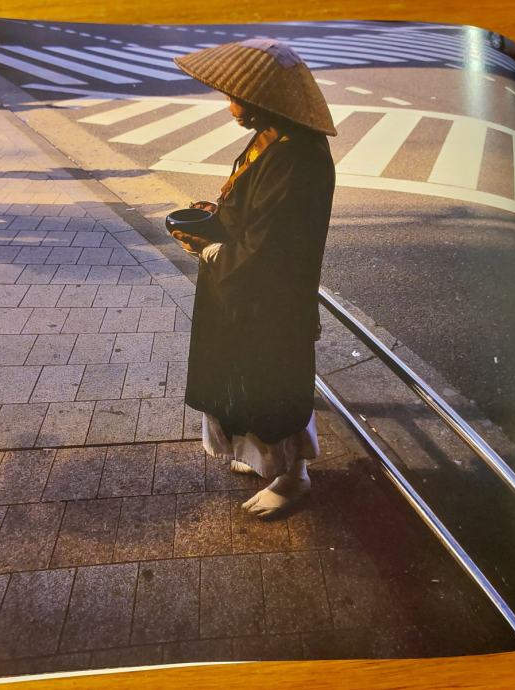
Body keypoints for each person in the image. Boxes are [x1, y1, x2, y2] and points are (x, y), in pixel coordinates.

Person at [170, 38, 337, 519]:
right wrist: (217, 215)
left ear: (262, 100)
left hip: (270, 301)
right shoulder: (273, 137)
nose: (230, 106)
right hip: (248, 296)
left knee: (273, 389)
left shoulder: (296, 157)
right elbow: (255, 212)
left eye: (235, 98)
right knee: (248, 385)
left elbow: (270, 248)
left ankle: (293, 477)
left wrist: (210, 249)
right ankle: (261, 458)